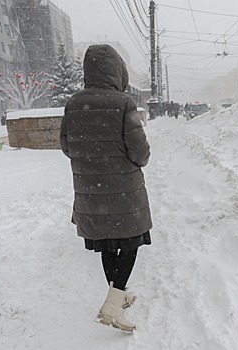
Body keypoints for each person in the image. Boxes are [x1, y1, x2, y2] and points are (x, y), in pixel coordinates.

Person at [60, 44, 152, 332]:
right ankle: (112, 305)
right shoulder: (123, 103)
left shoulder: (73, 104)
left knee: (108, 245)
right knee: (130, 243)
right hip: (124, 190)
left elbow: (66, 147)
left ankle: (119, 295)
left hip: (91, 190)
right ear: (118, 71)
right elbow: (141, 153)